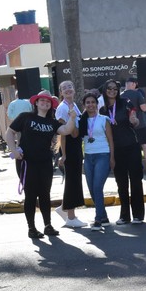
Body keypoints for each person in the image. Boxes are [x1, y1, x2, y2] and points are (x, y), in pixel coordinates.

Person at [5, 90, 77, 239]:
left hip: (45, 162)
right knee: (30, 195)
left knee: (45, 194)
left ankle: (47, 226)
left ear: (51, 105)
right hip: (26, 162)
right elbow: (9, 132)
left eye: (48, 101)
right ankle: (31, 228)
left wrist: (72, 117)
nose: (45, 103)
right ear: (36, 103)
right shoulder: (26, 117)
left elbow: (66, 130)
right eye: (42, 100)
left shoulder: (51, 122)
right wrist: (14, 151)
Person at [100, 79, 145, 225]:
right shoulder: (102, 110)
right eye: (109, 88)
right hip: (116, 149)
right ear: (105, 90)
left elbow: (134, 117)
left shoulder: (126, 102)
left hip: (131, 145)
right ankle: (125, 215)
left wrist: (134, 120)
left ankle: (138, 215)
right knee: (121, 183)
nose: (112, 91)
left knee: (136, 181)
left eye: (115, 88)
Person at [79, 92, 115, 231]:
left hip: (103, 155)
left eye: (93, 102)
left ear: (97, 104)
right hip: (88, 157)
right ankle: (104, 216)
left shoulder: (104, 119)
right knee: (92, 189)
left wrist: (112, 157)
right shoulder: (81, 120)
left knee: (97, 187)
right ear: (84, 105)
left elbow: (111, 140)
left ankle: (98, 219)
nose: (90, 105)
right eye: (87, 102)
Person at [54, 80, 87, 228]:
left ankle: (63, 208)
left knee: (75, 179)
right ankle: (71, 217)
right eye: (64, 88)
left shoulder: (73, 106)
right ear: (61, 93)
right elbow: (63, 134)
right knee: (72, 181)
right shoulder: (62, 108)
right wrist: (64, 154)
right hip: (70, 147)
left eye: (70, 87)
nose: (68, 89)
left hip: (76, 145)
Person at [121, 76, 146, 173]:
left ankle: (130, 168)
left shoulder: (120, 96)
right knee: (145, 146)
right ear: (134, 84)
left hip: (127, 125)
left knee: (130, 148)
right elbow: (144, 108)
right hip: (141, 124)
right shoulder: (138, 94)